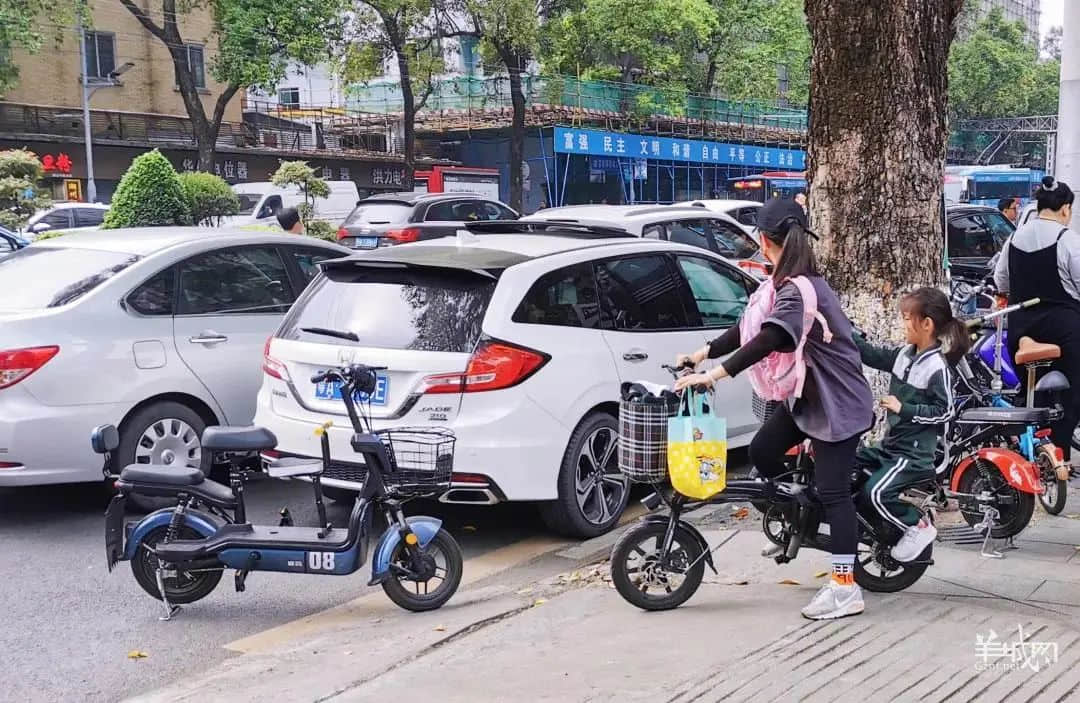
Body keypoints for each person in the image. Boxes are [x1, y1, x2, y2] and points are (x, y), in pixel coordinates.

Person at [673, 198, 875, 620]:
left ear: (765, 242)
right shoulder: (782, 284)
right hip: (809, 399)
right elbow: (748, 329)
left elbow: (771, 339)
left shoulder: (800, 290)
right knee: (764, 453)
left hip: (837, 405)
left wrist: (713, 376)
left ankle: (844, 589)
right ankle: (802, 518)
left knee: (835, 493)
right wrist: (701, 353)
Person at [853, 288, 968, 562]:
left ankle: (918, 526)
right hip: (890, 447)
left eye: (907, 318)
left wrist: (903, 409)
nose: (902, 324)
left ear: (926, 324)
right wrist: (845, 333)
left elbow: (946, 411)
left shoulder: (937, 367)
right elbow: (873, 355)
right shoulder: (905, 354)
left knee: (877, 493)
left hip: (913, 456)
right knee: (846, 462)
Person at [994, 175, 1080, 466]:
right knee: (1073, 393)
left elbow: (1000, 280)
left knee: (1029, 391)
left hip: (1022, 329)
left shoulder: (1014, 238)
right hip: (1064, 329)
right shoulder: (1067, 238)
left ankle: (1032, 447)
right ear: (1066, 209)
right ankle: (1061, 457)